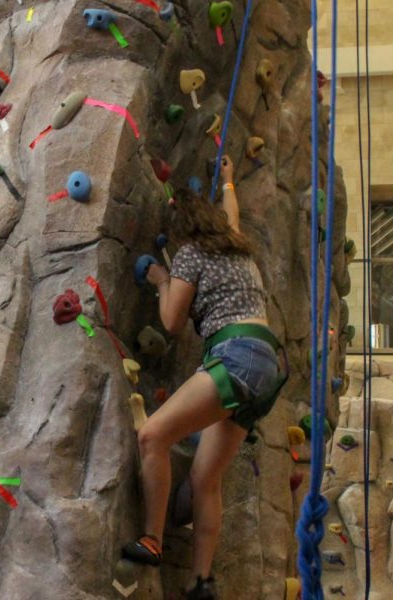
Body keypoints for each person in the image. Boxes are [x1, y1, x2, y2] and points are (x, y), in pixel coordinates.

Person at [121, 157, 284, 600]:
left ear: (181, 232)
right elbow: (231, 214)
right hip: (267, 366)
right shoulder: (237, 243)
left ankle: (152, 540)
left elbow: (172, 322)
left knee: (152, 436)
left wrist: (160, 279)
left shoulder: (190, 255)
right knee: (204, 478)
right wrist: (228, 181)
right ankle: (199, 581)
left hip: (235, 357)